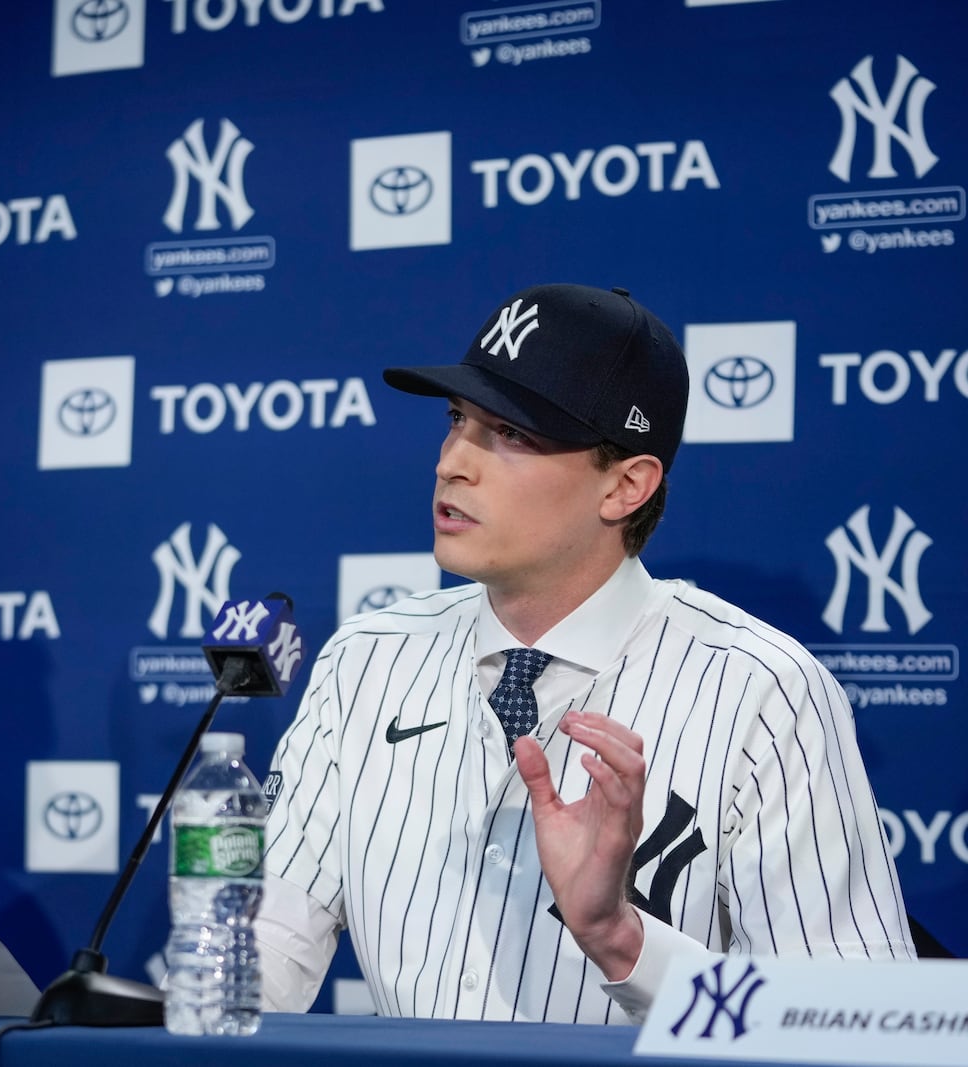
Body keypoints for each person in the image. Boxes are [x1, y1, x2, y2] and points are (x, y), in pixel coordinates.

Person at [256, 284, 913, 1023]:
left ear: (627, 485)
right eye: (455, 420)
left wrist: (621, 940)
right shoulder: (365, 660)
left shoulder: (764, 690)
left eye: (510, 433)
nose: (451, 463)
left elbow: (857, 1024)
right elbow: (265, 948)